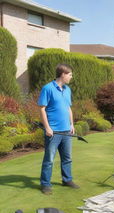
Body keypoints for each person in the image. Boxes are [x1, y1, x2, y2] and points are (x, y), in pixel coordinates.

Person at [38, 63, 79, 194]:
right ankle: (45, 184)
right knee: (49, 159)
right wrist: (47, 127)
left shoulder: (67, 90)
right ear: (63, 74)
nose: (71, 77)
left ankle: (67, 180)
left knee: (67, 158)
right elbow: (42, 109)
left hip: (66, 131)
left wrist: (71, 124)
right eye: (70, 75)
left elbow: (68, 108)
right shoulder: (47, 88)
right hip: (53, 132)